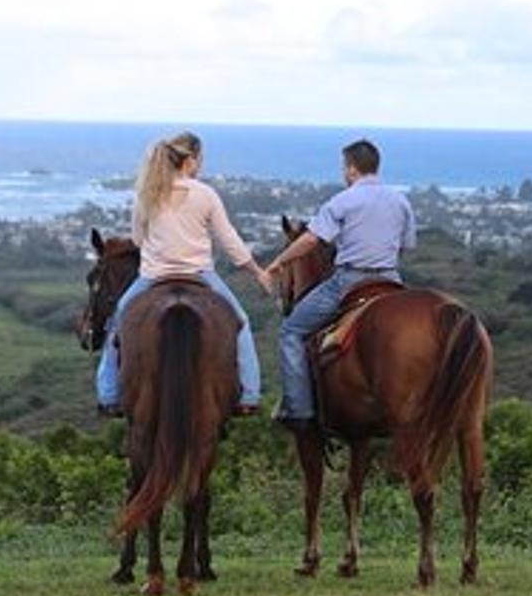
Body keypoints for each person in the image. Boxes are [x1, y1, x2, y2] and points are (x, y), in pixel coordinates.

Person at [95, 131, 268, 416]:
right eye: (200, 159)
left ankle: (109, 395)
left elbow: (138, 240)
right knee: (241, 323)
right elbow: (230, 241)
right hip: (200, 274)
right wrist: (257, 272)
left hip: (153, 276)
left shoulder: (147, 193)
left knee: (117, 325)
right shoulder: (206, 194)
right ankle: (249, 396)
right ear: (190, 160)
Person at [263, 137, 416, 426]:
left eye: (344, 168)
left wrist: (279, 262)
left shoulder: (344, 200)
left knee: (291, 331)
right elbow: (405, 246)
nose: (344, 173)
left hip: (349, 279)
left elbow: (310, 240)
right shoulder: (401, 200)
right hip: (391, 279)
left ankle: (298, 410)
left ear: (351, 169)